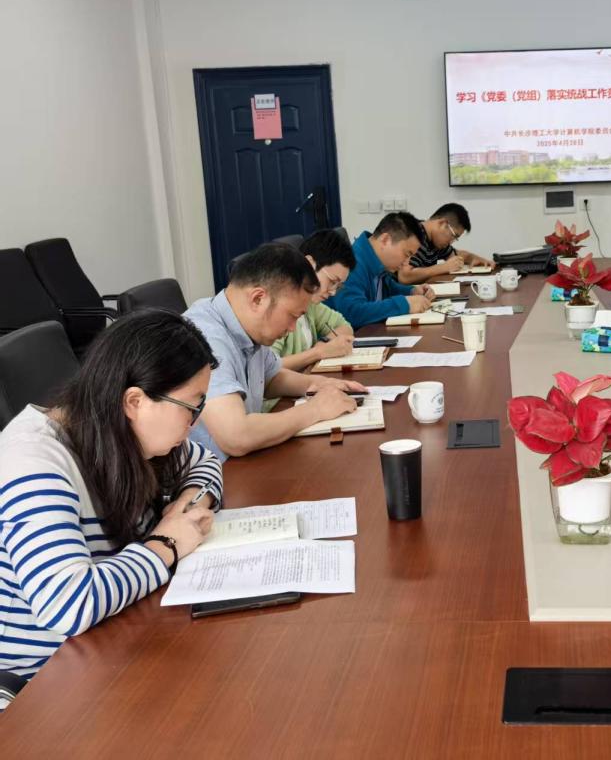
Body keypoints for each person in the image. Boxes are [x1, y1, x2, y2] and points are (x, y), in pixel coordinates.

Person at [0, 311, 222, 706]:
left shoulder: (118, 430)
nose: (193, 424)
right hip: (45, 681)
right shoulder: (33, 462)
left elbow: (205, 462)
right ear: (134, 401)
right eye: (191, 408)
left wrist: (186, 508)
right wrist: (166, 545)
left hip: (117, 636)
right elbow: (68, 605)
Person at [185, 242, 362, 459]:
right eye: (292, 316)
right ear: (258, 299)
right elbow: (236, 436)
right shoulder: (205, 337)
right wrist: (316, 409)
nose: (292, 328)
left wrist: (319, 384)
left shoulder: (244, 323)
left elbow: (270, 378)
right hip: (216, 473)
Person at [264, 229, 357, 411]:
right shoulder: (277, 307)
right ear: (309, 264)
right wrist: (318, 353)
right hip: (277, 404)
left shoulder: (312, 304)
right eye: (332, 281)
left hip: (303, 391)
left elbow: (344, 326)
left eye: (339, 286)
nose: (333, 292)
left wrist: (327, 344)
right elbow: (267, 370)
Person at [326, 212, 437, 330]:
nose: (407, 262)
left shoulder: (373, 257)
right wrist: (404, 304)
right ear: (385, 240)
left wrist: (411, 291)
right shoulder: (353, 263)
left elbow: (387, 289)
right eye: (406, 254)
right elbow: (352, 313)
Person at [397, 203, 494, 284]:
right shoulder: (415, 235)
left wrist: (474, 258)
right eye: (454, 236)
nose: (452, 241)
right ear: (442, 224)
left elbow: (456, 255)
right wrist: (443, 268)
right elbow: (404, 277)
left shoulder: (435, 241)